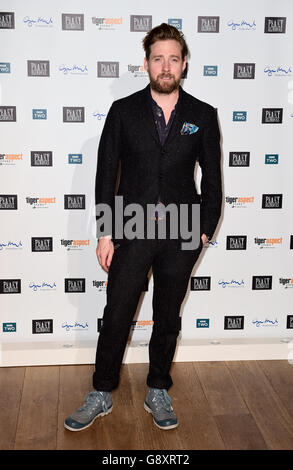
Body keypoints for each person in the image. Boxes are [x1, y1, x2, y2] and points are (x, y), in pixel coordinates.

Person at [64, 23, 222, 432]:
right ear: (146, 65)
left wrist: (203, 231)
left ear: (183, 64)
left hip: (183, 230)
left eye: (173, 58)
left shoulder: (202, 115)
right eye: (158, 58)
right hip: (130, 228)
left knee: (168, 314)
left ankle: (158, 387)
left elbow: (213, 180)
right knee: (117, 312)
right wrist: (104, 231)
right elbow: (104, 176)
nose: (165, 66)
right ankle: (101, 390)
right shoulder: (123, 111)